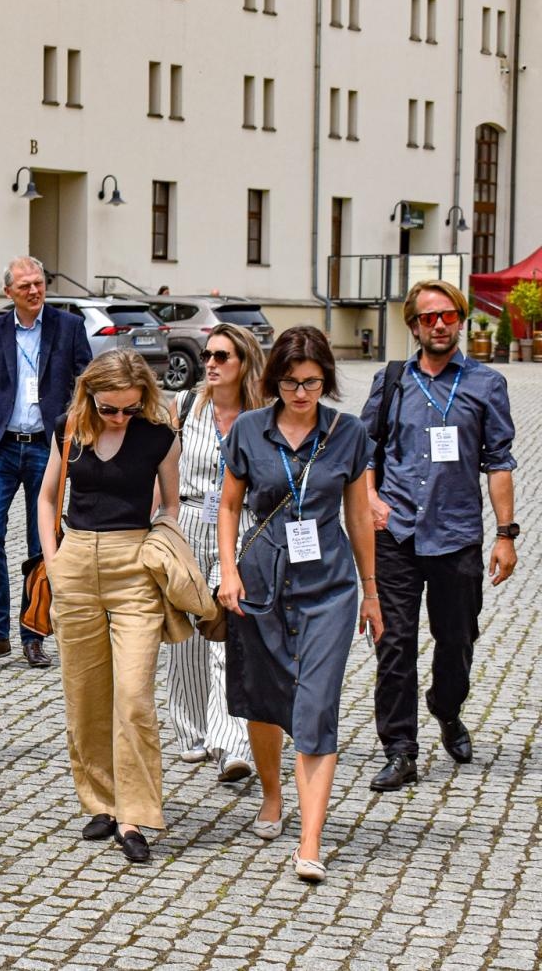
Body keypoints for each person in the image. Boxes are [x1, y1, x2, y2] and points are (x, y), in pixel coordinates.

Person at [217, 325, 381, 883]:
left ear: (325, 380)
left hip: (328, 588)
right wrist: (229, 573)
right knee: (264, 699)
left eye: (311, 382)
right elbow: (229, 506)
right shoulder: (248, 430)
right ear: (274, 381)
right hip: (260, 581)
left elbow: (359, 516)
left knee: (316, 706)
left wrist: (371, 590)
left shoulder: (349, 433)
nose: (301, 394)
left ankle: (309, 843)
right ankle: (271, 793)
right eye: (290, 383)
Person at [360, 280, 518, 792]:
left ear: (461, 320)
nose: (440, 325)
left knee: (458, 640)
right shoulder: (391, 381)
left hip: (455, 535)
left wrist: (506, 534)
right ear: (413, 326)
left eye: (448, 315)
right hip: (397, 533)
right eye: (429, 317)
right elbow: (365, 451)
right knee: (395, 645)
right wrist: (371, 499)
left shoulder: (486, 384)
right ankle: (401, 749)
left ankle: (446, 708)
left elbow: (498, 462)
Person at [38, 350, 180, 863]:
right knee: (85, 694)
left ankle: (135, 814)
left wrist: (158, 546)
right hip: (75, 563)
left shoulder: (159, 434)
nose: (119, 417)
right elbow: (48, 497)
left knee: (134, 695)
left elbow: (170, 503)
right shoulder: (70, 428)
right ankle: (100, 801)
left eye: (128, 408)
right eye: (109, 408)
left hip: (133, 566)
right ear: (90, 395)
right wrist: (54, 563)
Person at [0, 256, 93, 668]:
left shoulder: (68, 327)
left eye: (39, 283)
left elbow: (86, 382)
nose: (34, 291)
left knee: (43, 542)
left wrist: (79, 434)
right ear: (9, 293)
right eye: (25, 286)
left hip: (46, 447)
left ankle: (34, 634)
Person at [165, 325, 265, 783]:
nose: (210, 363)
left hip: (242, 527)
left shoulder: (262, 415)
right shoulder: (185, 406)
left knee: (233, 628)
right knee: (187, 631)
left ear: (243, 362)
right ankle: (192, 731)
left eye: (222, 356)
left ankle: (234, 743)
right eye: (207, 354)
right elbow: (162, 472)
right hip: (187, 521)